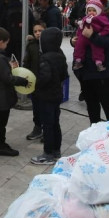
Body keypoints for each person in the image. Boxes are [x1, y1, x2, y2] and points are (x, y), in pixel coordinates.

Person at [0, 27, 29, 157]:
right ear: (0, 42)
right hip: (2, 96)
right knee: (1, 122)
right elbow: (7, 78)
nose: (7, 46)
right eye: (6, 43)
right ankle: (1, 145)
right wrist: (22, 81)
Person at [78, 0, 109, 124]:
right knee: (91, 103)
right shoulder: (87, 17)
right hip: (86, 68)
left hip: (103, 69)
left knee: (106, 101)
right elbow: (80, 35)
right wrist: (74, 41)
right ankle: (94, 129)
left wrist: (93, 36)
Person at [30, 26, 68, 165]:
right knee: (55, 123)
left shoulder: (45, 58)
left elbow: (43, 78)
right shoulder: (60, 56)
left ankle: (48, 154)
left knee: (47, 125)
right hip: (56, 95)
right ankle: (56, 150)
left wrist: (34, 83)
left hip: (46, 96)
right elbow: (64, 75)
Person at [73, 0, 109, 71]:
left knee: (97, 48)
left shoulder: (101, 18)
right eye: (89, 10)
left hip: (95, 35)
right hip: (84, 35)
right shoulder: (85, 18)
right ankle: (78, 60)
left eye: (94, 10)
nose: (91, 12)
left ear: (98, 11)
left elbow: (107, 27)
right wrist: (78, 35)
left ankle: (99, 63)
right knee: (79, 45)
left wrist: (101, 33)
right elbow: (81, 28)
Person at [23, 24, 45, 141]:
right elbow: (26, 63)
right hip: (35, 82)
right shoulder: (31, 46)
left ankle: (47, 131)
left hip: (47, 84)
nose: (37, 33)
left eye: (40, 30)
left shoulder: (50, 44)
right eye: (35, 31)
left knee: (47, 108)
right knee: (36, 107)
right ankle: (37, 128)